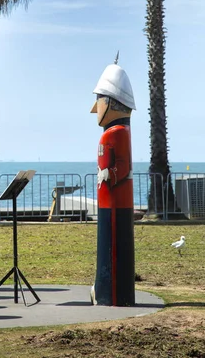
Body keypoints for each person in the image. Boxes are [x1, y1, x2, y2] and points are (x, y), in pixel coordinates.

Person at [90, 59, 136, 306]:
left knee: (115, 248)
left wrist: (111, 174)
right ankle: (103, 289)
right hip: (108, 202)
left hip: (116, 204)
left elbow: (124, 164)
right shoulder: (112, 132)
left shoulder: (117, 133)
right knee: (107, 246)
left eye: (99, 100)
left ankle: (112, 294)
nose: (95, 107)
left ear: (110, 102)